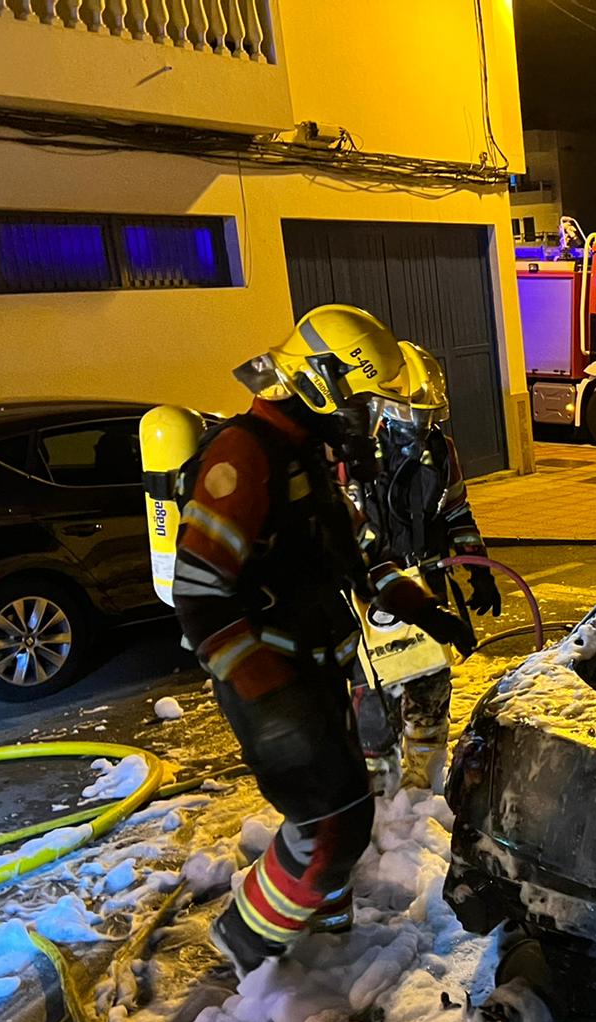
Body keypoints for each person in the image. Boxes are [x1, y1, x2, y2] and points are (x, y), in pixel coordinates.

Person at [173, 304, 474, 974]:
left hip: (317, 673)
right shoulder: (244, 455)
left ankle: (326, 941)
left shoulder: (305, 457)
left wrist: (427, 613)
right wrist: (268, 697)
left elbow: (360, 562)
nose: (367, 423)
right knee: (329, 820)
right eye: (364, 404)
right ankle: (244, 947)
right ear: (319, 384)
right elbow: (198, 592)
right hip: (273, 682)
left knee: (345, 812)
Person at [354, 344, 500, 795]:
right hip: (373, 594)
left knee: (431, 687)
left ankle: (421, 786)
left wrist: (479, 569)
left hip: (427, 582)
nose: (422, 426)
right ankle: (376, 793)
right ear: (383, 406)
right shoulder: (357, 459)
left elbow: (456, 512)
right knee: (374, 694)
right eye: (413, 414)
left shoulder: (441, 450)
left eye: (429, 416)